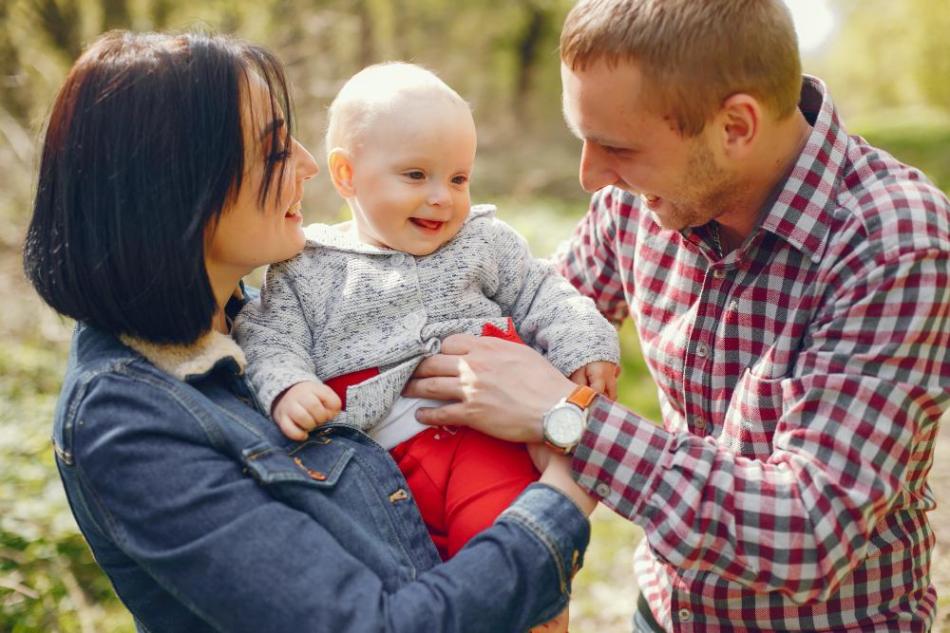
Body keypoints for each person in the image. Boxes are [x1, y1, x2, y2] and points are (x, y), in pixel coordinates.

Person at [22, 30, 596, 633]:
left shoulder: (257, 322)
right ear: (177, 186)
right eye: (274, 152)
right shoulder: (127, 420)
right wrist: (563, 498)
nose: (309, 164)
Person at [405, 0, 950, 631]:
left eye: (615, 147)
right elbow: (525, 320)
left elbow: (808, 530)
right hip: (663, 610)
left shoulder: (895, 240)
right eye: (583, 139)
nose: (590, 177)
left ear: (736, 126)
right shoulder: (637, 201)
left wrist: (569, 419)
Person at [233, 62, 620, 567]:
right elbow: (268, 337)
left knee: (511, 560)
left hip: (485, 439)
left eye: (459, 178)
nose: (442, 197)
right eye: (416, 175)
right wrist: (288, 387)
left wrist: (585, 342)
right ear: (347, 173)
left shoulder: (484, 242)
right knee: (406, 585)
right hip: (371, 465)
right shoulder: (306, 265)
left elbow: (544, 292)